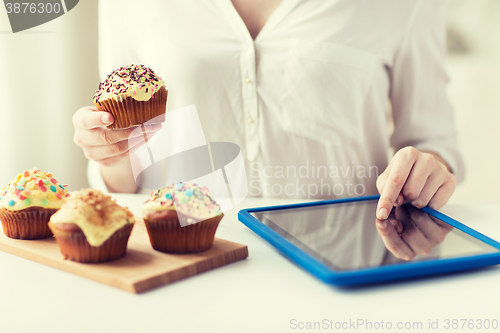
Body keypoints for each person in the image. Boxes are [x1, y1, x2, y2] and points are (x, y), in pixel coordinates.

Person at [73, 0, 463, 228]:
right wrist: (109, 151)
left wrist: (427, 171)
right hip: (182, 255)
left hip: (344, 254)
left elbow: (434, 140)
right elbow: (126, 164)